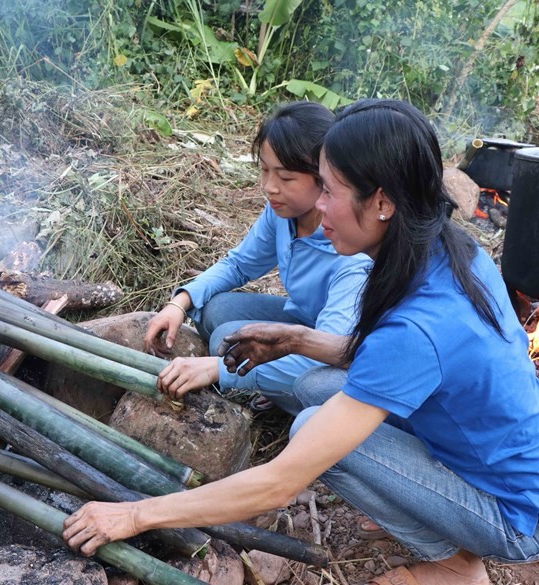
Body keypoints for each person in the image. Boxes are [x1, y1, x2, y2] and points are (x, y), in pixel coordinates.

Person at [63, 99, 539, 585]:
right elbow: (395, 364)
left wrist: (134, 514)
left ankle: (457, 566)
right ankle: (434, 515)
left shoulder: (419, 322)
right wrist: (301, 339)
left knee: (315, 431)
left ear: (382, 202)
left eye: (328, 190)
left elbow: (280, 483)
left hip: (518, 515)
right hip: (503, 462)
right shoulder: (445, 249)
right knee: (317, 388)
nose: (319, 207)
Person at [144, 101, 371, 413]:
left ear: (325, 175)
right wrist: (178, 303)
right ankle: (274, 386)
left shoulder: (353, 248)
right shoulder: (283, 213)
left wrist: (218, 370)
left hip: (337, 352)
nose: (269, 187)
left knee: (231, 344)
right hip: (305, 320)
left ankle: (289, 399)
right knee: (218, 312)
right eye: (265, 170)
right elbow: (239, 264)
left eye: (286, 178)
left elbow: (332, 349)